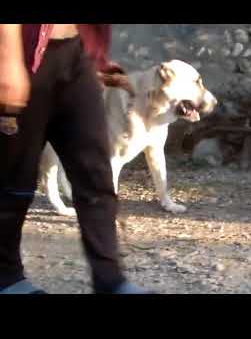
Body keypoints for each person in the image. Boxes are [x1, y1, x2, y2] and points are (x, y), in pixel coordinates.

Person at [0, 24, 153, 294]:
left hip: (76, 54)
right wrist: (7, 59)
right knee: (16, 177)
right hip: (23, 55)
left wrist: (97, 53)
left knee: (96, 175)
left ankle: (110, 280)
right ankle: (7, 277)